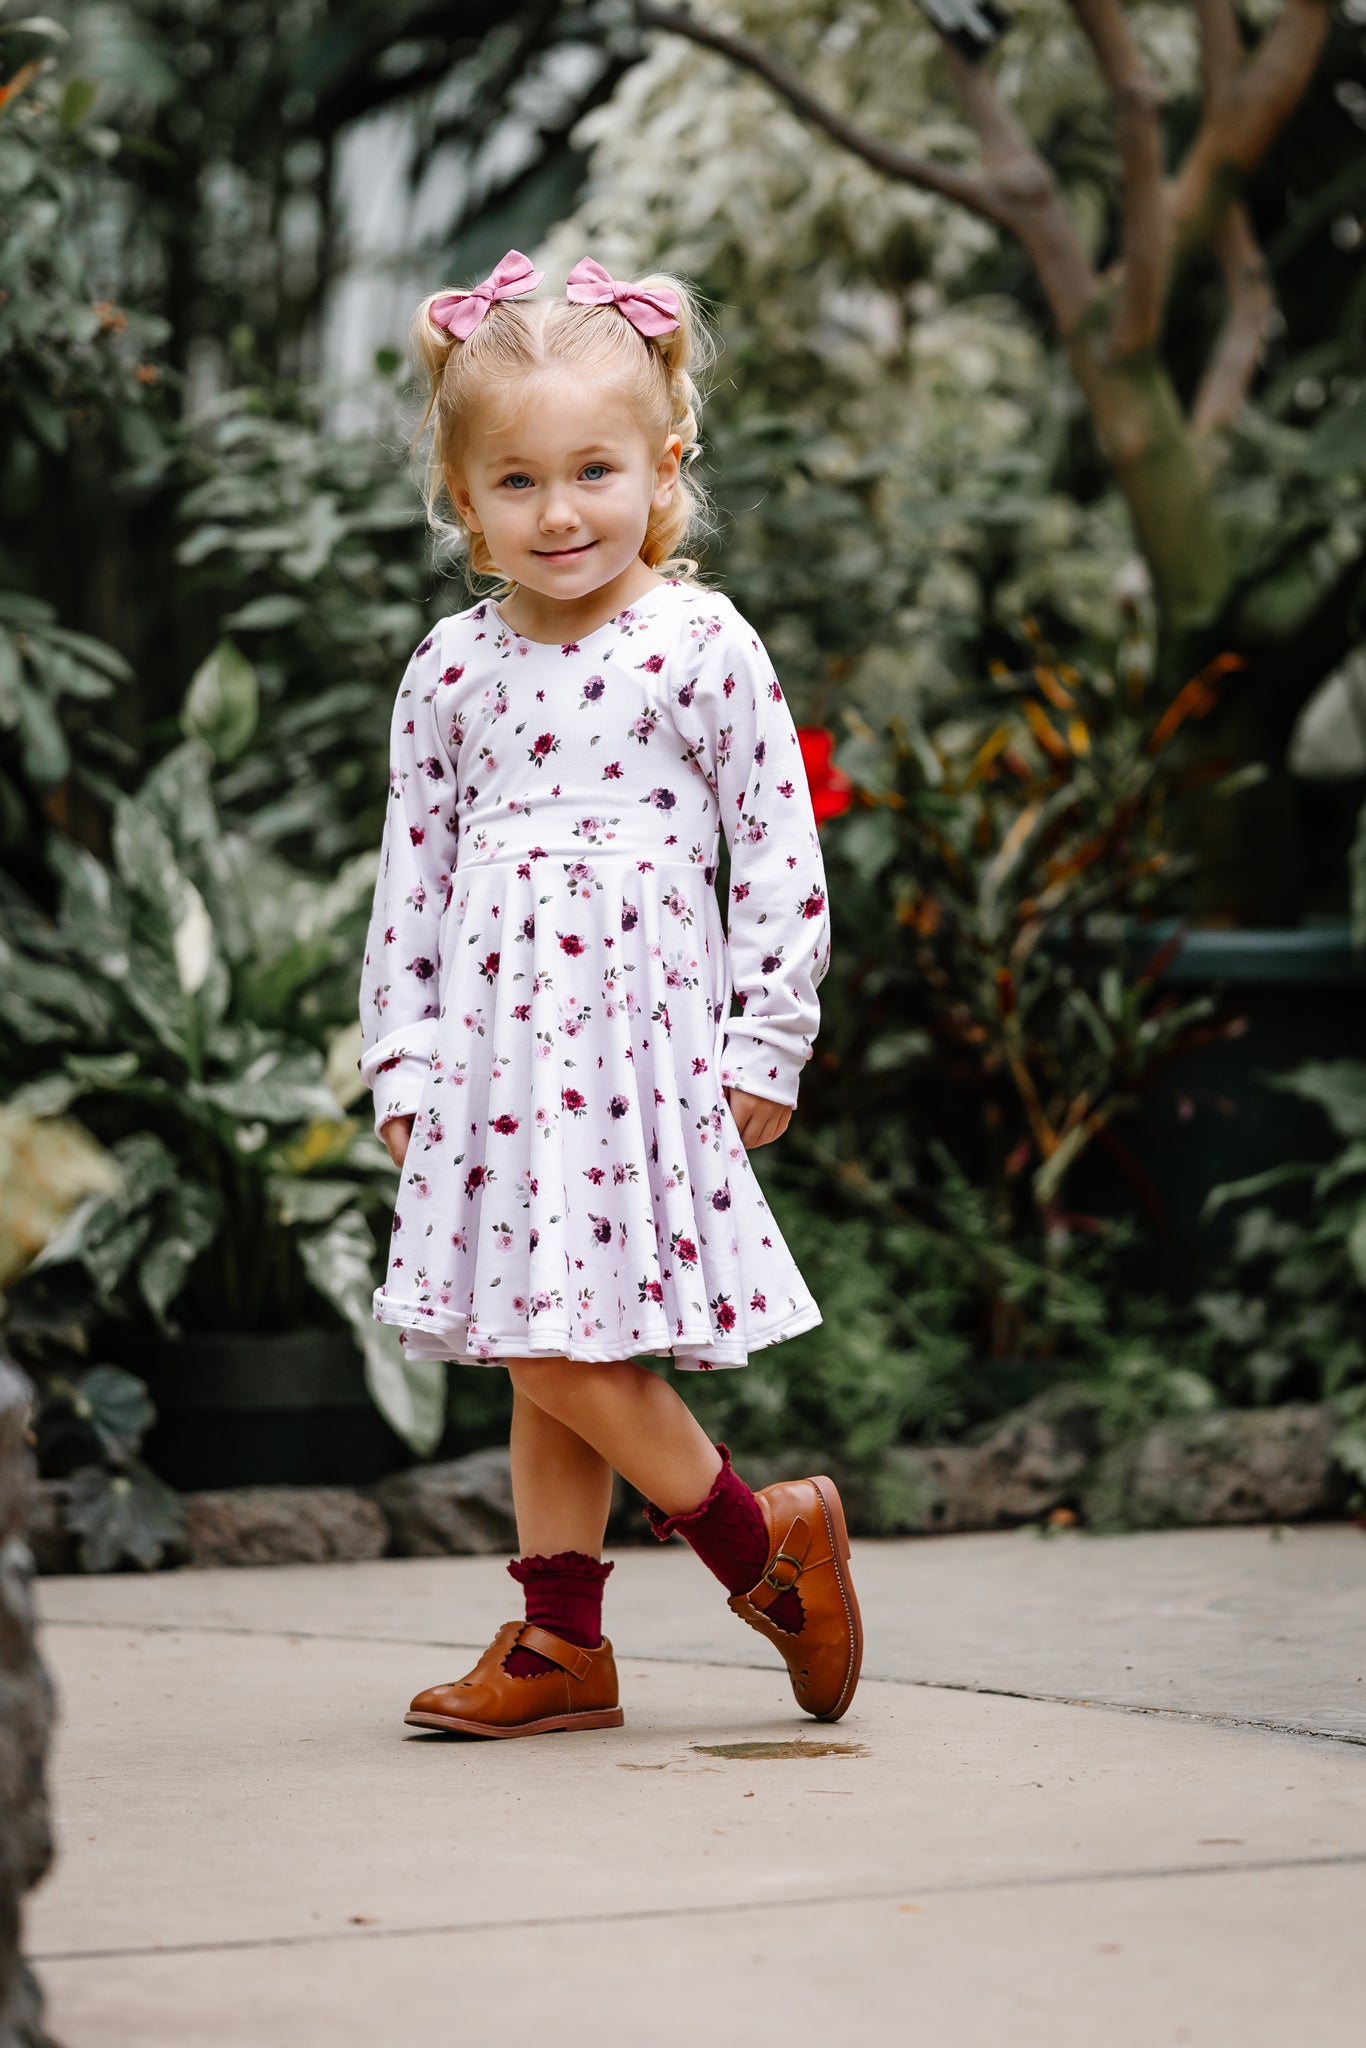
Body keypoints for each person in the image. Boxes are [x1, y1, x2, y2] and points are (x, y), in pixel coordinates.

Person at [357, 249, 862, 1740]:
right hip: (494, 1062)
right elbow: (412, 880)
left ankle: (757, 1546)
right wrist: (405, 1061)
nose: (559, 511)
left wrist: (767, 1036)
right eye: (516, 481)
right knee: (544, 1342)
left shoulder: (698, 645)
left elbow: (779, 851)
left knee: (553, 1345)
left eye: (593, 471)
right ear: (464, 500)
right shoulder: (452, 671)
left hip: (640, 1060)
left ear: (664, 466)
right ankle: (562, 1641)